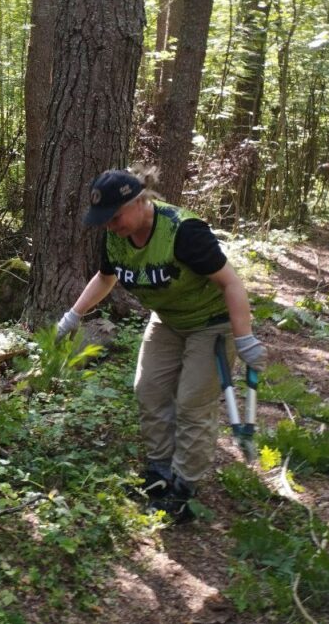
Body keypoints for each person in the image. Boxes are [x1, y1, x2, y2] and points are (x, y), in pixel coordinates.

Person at [56, 168, 267, 522]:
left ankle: (184, 487)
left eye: (115, 216)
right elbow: (106, 277)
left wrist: (244, 338)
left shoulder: (183, 232)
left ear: (140, 200)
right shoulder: (115, 236)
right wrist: (74, 314)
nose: (110, 225)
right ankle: (160, 472)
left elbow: (231, 283)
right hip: (168, 320)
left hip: (212, 324)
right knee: (149, 390)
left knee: (191, 404)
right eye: (104, 220)